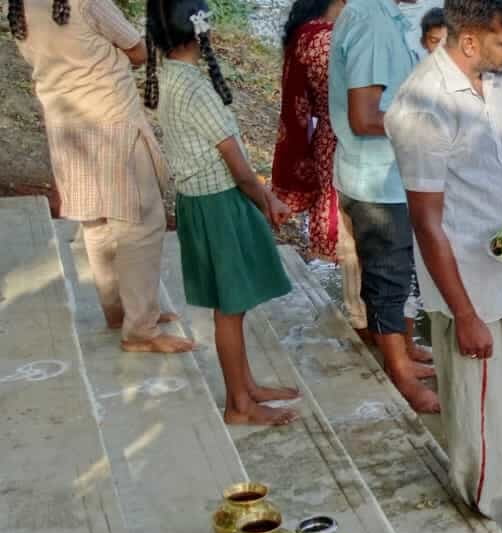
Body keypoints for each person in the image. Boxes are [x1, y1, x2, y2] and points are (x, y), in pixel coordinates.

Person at [386, 0, 502, 533]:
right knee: (477, 403)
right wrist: (464, 313)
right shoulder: (423, 107)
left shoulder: (495, 80)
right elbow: (428, 224)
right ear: (469, 40)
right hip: (466, 282)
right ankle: (491, 512)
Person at [144, 0, 302, 426]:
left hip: (200, 201)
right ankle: (239, 405)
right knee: (230, 310)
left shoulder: (168, 76)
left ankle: (246, 386)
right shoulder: (194, 88)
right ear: (201, 32)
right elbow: (237, 164)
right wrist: (266, 199)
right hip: (218, 204)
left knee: (234, 304)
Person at [10, 0, 194, 354]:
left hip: (65, 125)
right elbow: (138, 51)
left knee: (97, 223)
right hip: (111, 121)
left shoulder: (19, 5)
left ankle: (119, 311)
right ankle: (141, 329)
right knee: (139, 224)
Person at [329, 0, 438, 412]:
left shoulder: (381, 16)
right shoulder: (372, 20)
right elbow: (364, 117)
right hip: (376, 179)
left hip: (388, 173)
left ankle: (404, 350)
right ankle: (400, 374)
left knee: (396, 271)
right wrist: (431, 128)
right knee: (387, 279)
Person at [271, 0, 371, 341]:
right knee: (358, 235)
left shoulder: (309, 33)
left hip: (332, 137)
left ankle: (367, 319)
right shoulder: (326, 39)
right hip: (347, 138)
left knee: (355, 239)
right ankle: (368, 325)